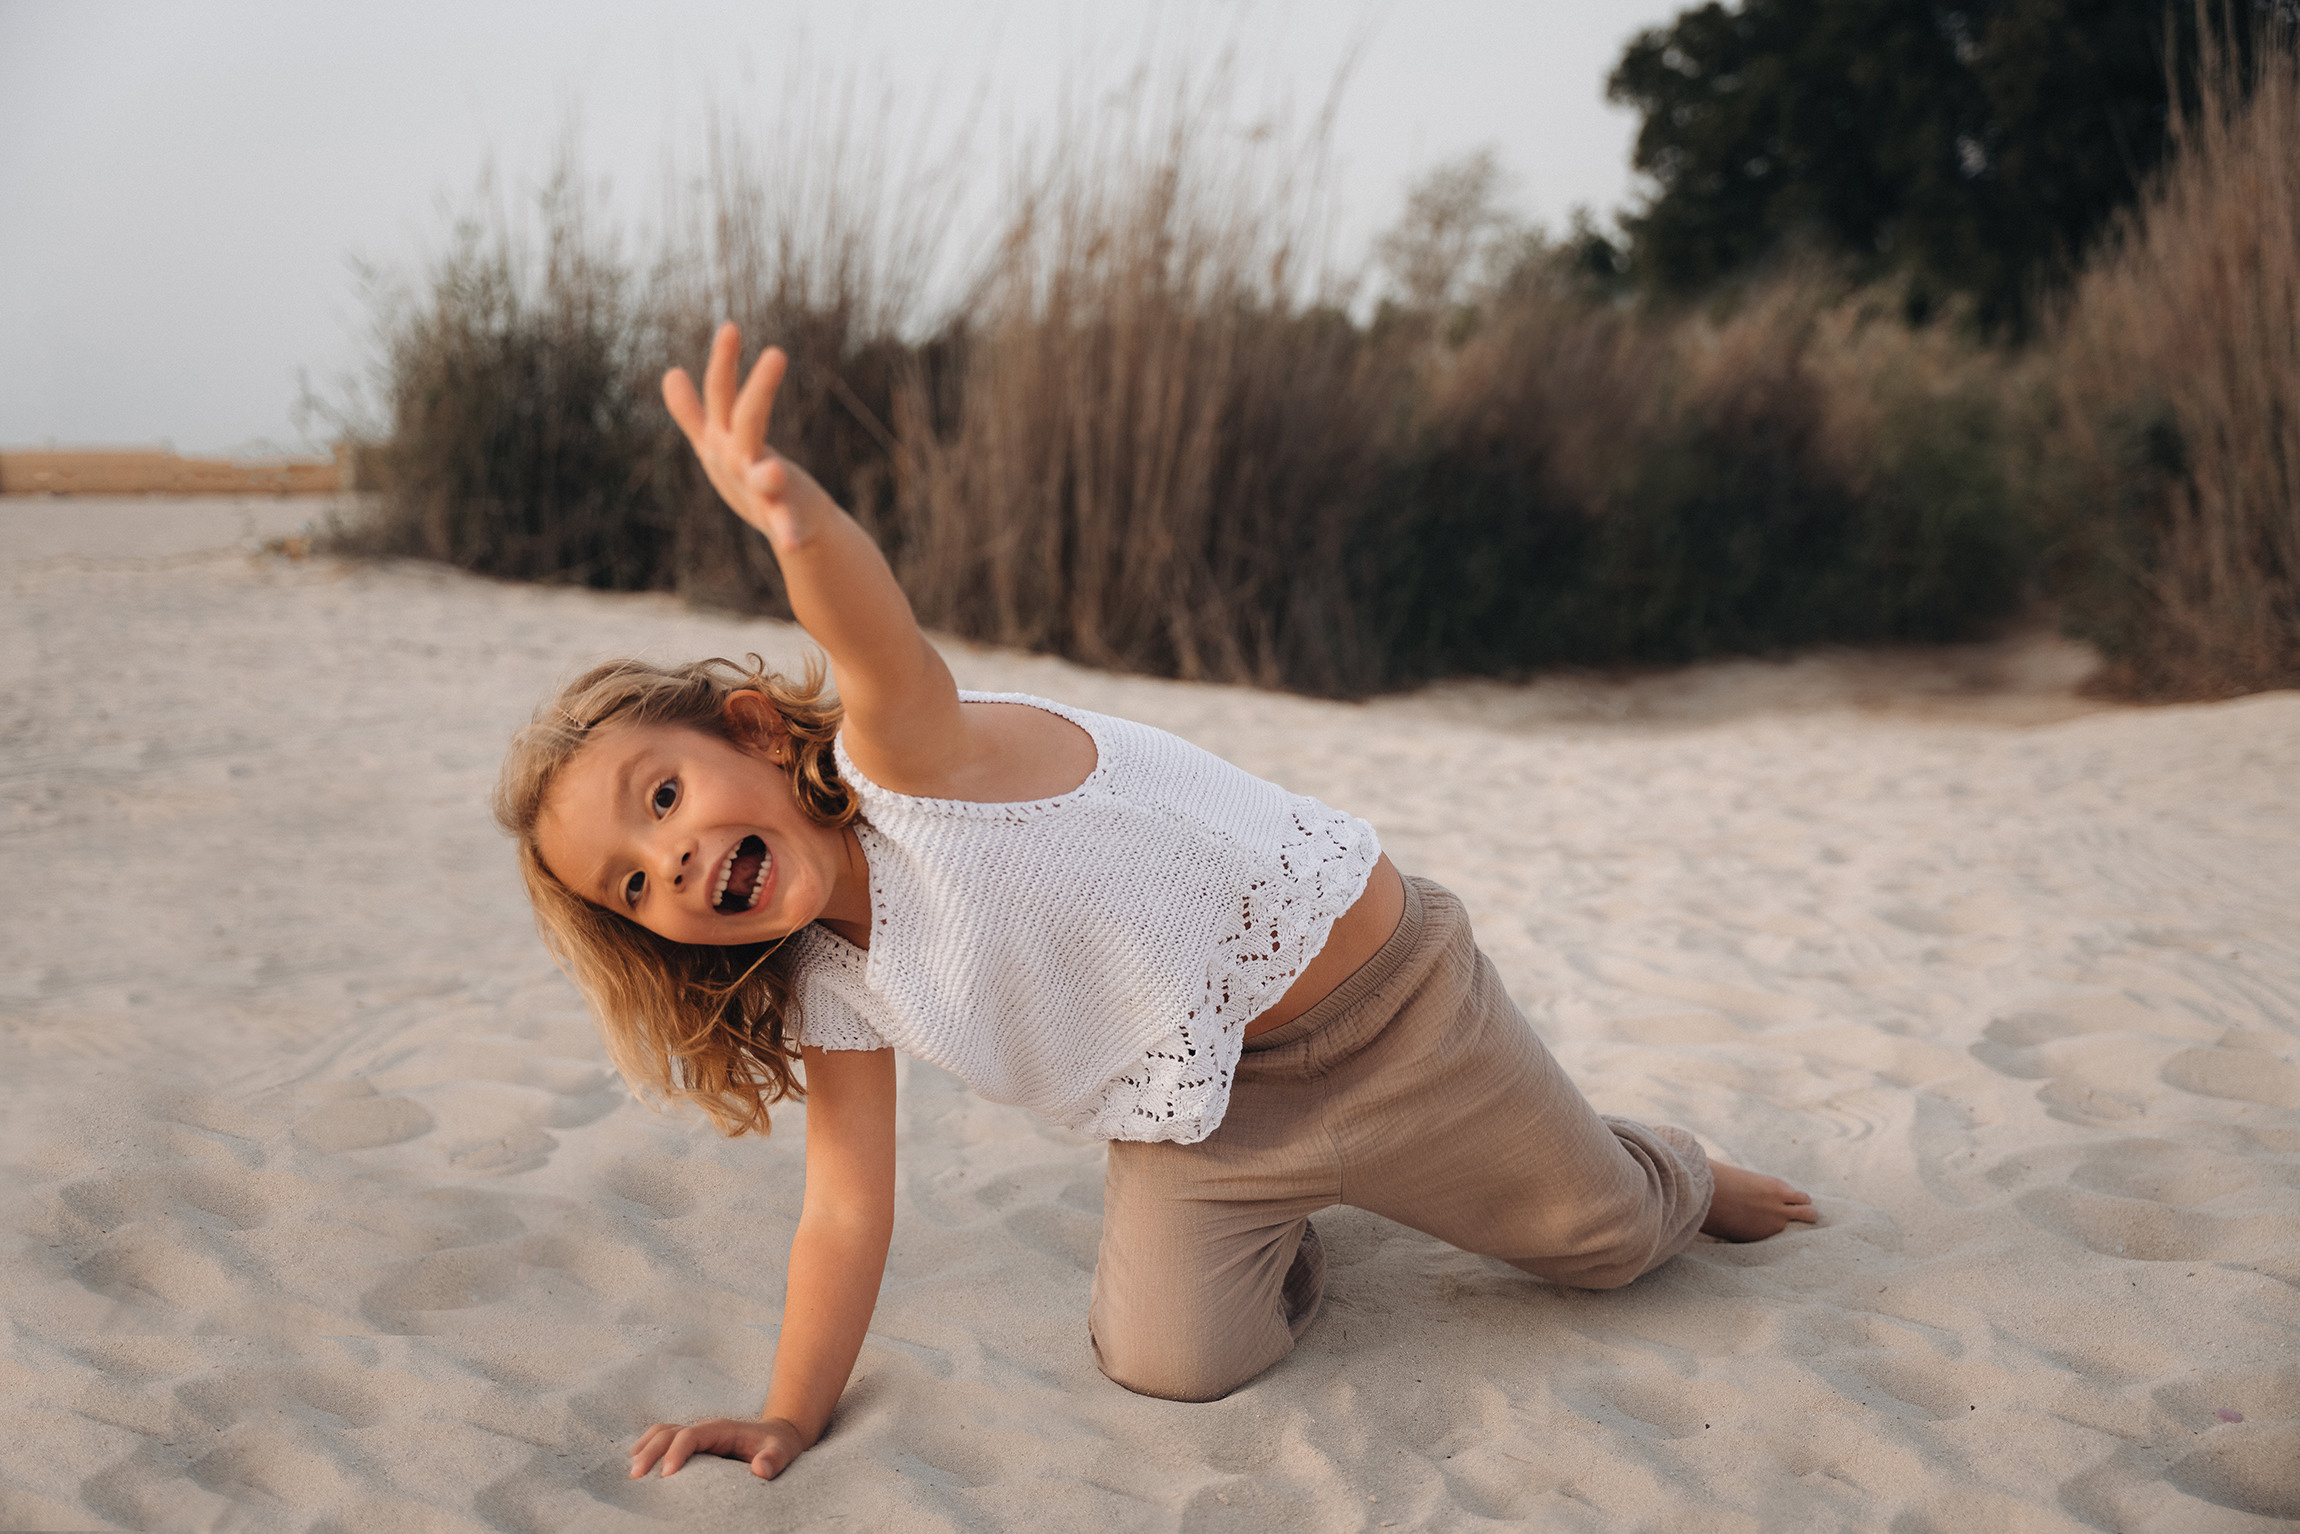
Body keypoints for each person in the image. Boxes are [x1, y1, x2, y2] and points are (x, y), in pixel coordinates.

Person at [493, 325, 1818, 1485]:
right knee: (1169, 1359)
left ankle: (1668, 1165)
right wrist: (788, 1412)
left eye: (662, 797)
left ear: (750, 731)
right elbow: (845, 1205)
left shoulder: (908, 766)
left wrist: (801, 530)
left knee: (1603, 1240)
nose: (670, 864)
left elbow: (874, 640)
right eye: (632, 884)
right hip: (1207, 1118)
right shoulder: (828, 982)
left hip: (1391, 1013)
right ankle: (1302, 1212)